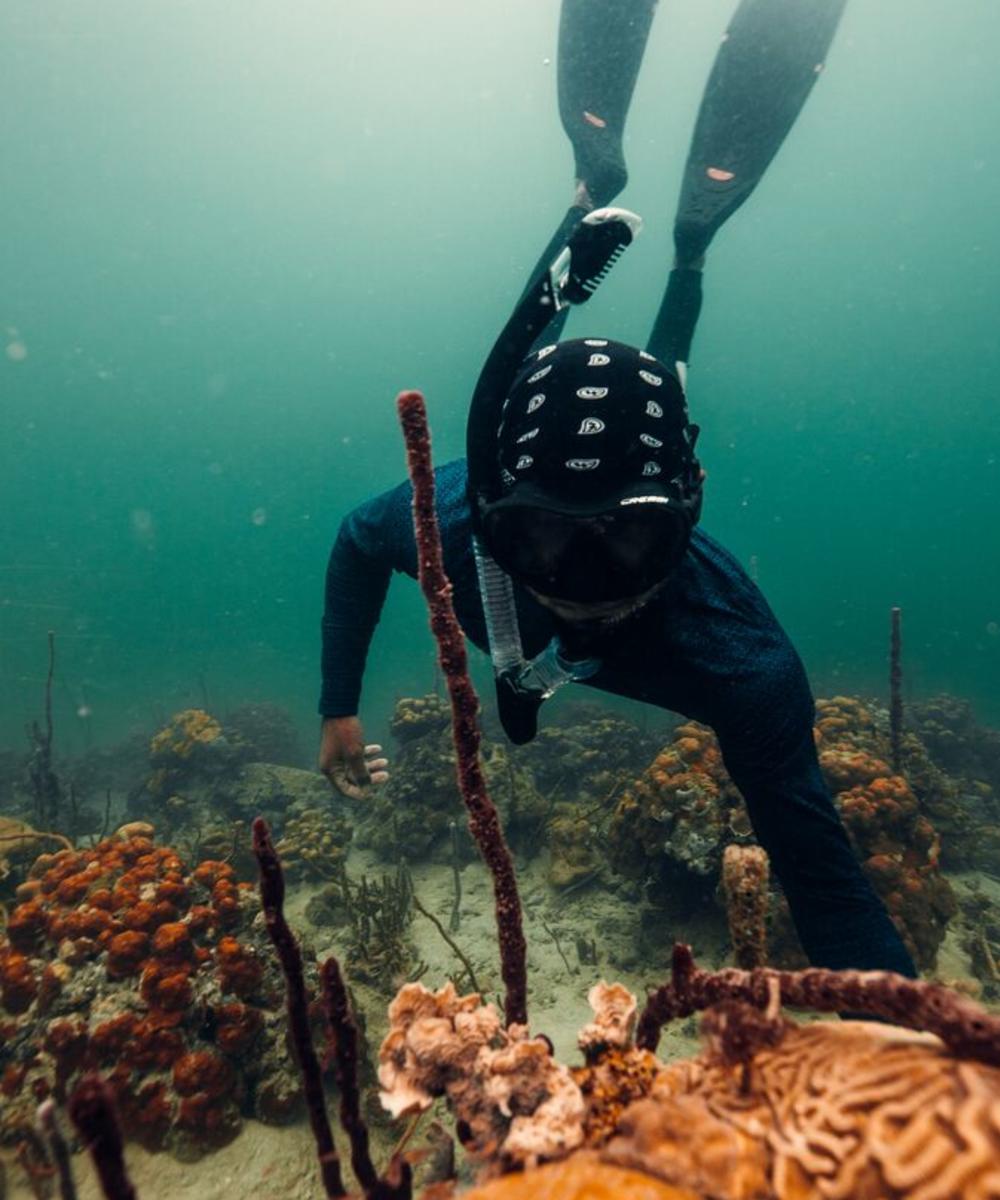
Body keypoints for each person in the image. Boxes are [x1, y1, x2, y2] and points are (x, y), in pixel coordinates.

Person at [318, 0, 917, 979]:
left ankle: (687, 249)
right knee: (583, 374)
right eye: (549, 542)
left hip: (602, 488)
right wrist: (337, 706)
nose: (586, 579)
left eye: (627, 540)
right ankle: (596, 195)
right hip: (556, 479)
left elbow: (828, 888)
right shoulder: (469, 511)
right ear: (502, 519)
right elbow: (355, 542)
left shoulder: (739, 659)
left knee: (663, 364)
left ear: (689, 516)